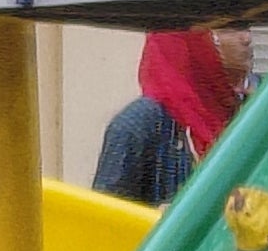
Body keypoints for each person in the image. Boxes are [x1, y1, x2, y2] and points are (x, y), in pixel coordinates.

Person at [90, 23, 246, 205]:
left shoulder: (246, 113)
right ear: (189, 46)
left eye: (247, 29)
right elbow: (106, 216)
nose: (247, 39)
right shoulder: (139, 124)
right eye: (230, 29)